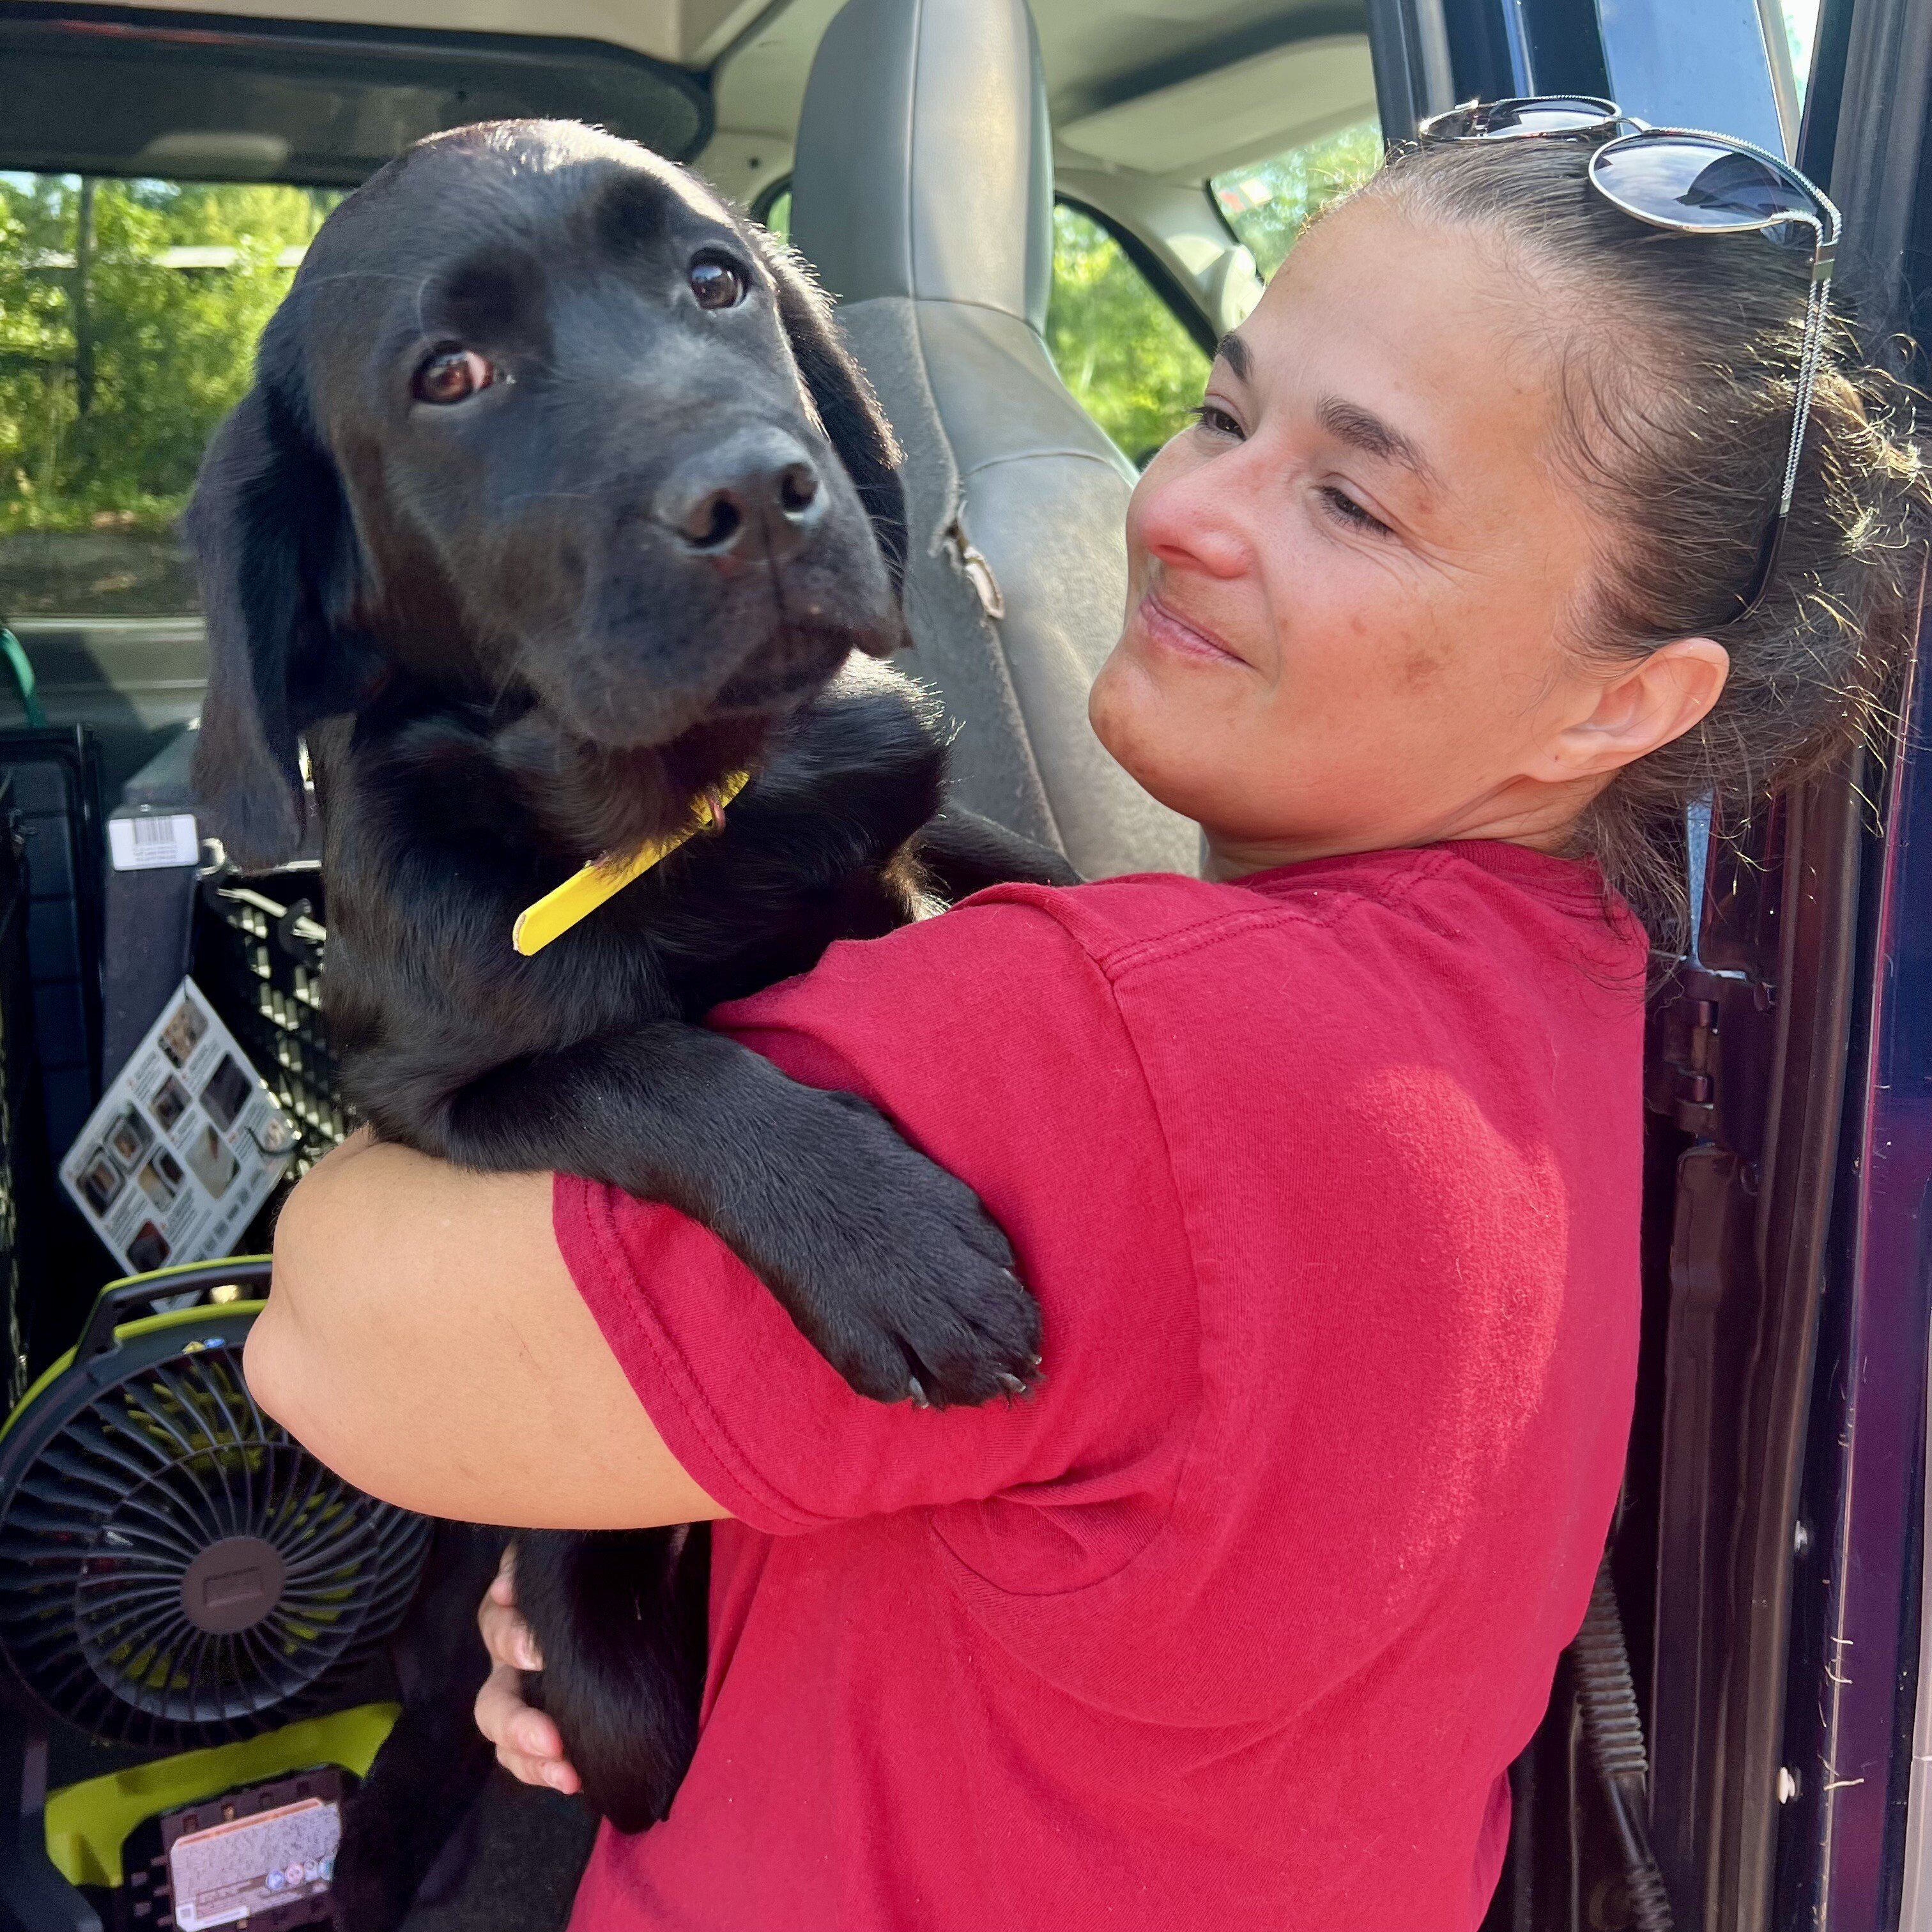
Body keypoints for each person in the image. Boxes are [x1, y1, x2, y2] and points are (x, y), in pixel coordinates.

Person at [249, 116, 1926, 1931]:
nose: (1180, 511)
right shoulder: (1555, 982)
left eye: (1353, 500)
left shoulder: (1125, 1054)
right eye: (1220, 415)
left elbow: (324, 1348)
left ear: (1623, 705)